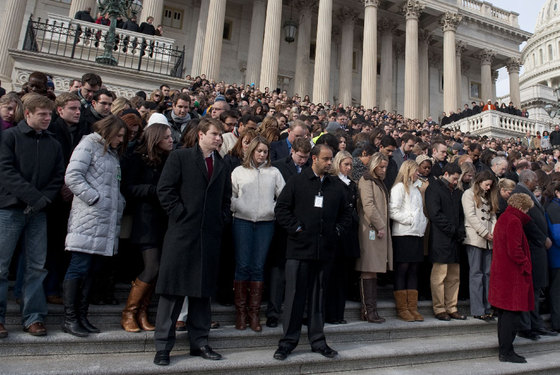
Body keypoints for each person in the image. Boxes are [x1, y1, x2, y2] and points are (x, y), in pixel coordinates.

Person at [153, 118, 231, 366]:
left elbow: (225, 199)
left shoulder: (222, 164)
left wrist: (220, 219)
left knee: (202, 293)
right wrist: (180, 214)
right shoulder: (180, 157)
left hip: (208, 237)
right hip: (182, 234)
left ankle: (200, 342)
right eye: (215, 134)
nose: (219, 138)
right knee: (172, 292)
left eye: (220, 135)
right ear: (200, 135)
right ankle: (163, 347)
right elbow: (165, 190)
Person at [273, 144, 351, 361]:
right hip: (299, 250)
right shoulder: (298, 182)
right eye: (326, 159)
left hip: (325, 251)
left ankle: (318, 341)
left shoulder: (335, 185)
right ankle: (287, 342)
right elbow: (281, 209)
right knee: (294, 298)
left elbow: (346, 214)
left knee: (318, 299)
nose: (329, 163)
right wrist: (296, 228)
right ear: (314, 159)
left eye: (331, 159)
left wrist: (336, 230)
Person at [0, 94, 64, 338]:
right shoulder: (9, 137)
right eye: (42, 114)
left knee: (37, 266)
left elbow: (58, 175)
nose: (48, 118)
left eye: (50, 114)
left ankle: (34, 317)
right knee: (1, 266)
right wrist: (34, 197)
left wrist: (42, 200)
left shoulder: (53, 143)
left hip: (38, 213)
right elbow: (5, 172)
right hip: (9, 208)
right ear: (27, 114)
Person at [62, 115, 127, 337]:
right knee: (79, 267)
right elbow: (73, 176)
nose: (120, 140)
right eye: (118, 135)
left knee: (91, 271)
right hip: (88, 217)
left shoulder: (111, 152)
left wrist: (118, 202)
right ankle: (70, 318)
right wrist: (94, 198)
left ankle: (82, 315)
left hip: (104, 220)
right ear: (108, 131)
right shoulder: (88, 144)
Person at [120, 123, 173, 332]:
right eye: (167, 137)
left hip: (164, 220)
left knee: (157, 269)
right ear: (156, 139)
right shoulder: (136, 159)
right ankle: (129, 312)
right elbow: (128, 187)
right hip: (146, 219)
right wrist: (154, 190)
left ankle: (142, 313)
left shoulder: (169, 160)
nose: (171, 140)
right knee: (152, 267)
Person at [231, 136, 285, 331]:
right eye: (259, 151)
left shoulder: (274, 172)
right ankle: (241, 312)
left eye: (265, 151)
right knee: (242, 265)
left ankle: (254, 313)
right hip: (242, 222)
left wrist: (273, 209)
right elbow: (232, 194)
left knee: (258, 266)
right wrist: (237, 205)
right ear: (252, 151)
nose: (262, 154)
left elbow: (284, 196)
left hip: (266, 223)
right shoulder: (238, 171)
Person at [265, 137, 311, 328]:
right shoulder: (277, 167)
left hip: (303, 228)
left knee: (301, 273)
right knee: (278, 272)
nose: (302, 161)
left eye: (306, 158)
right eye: (300, 157)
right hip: (283, 226)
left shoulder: (311, 169)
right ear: (292, 152)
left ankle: (301, 313)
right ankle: (273, 312)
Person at [489, 193, 534, 363]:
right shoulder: (514, 221)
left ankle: (506, 349)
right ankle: (506, 351)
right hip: (512, 275)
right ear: (522, 207)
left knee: (505, 315)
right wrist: (526, 265)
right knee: (511, 315)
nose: (528, 213)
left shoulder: (505, 218)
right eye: (527, 209)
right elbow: (515, 250)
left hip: (503, 274)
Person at [512, 170, 558, 340]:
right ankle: (527, 326)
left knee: (535, 289)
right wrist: (542, 238)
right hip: (532, 247)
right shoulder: (520, 193)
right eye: (535, 180)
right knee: (530, 289)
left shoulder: (526, 192)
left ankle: (535, 324)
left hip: (536, 248)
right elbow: (527, 221)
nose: (537, 183)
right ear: (528, 180)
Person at [425, 162, 466, 321]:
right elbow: (435, 215)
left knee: (454, 277)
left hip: (455, 239)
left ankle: (452, 307)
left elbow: (461, 215)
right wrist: (453, 230)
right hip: (440, 238)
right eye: (454, 179)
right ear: (446, 174)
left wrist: (460, 231)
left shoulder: (456, 192)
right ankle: (439, 308)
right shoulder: (434, 189)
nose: (456, 182)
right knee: (439, 276)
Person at [389, 160, 428, 322]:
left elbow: (420, 210)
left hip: (416, 234)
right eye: (415, 171)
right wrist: (411, 219)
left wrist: (421, 222)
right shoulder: (399, 188)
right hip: (403, 234)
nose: (418, 173)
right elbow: (393, 211)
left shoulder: (416, 190)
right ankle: (402, 308)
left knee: (413, 270)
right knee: (402, 269)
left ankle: (412, 307)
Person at [356, 152, 392, 323]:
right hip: (370, 229)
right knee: (369, 269)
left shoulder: (378, 181)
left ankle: (371, 310)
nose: (384, 170)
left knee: (373, 269)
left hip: (378, 229)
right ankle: (368, 310)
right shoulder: (366, 180)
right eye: (381, 166)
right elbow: (368, 205)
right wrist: (380, 225)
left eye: (386, 166)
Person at [325, 150, 360, 325]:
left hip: (349, 234)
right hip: (335, 233)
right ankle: (329, 313)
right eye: (345, 164)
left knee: (343, 275)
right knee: (332, 275)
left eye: (350, 165)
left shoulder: (352, 184)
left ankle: (339, 313)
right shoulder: (331, 182)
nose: (348, 168)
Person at [461, 170, 498, 320]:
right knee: (476, 273)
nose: (488, 188)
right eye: (486, 184)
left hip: (489, 240)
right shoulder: (469, 194)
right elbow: (470, 216)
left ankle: (488, 306)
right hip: (475, 238)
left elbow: (493, 216)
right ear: (479, 182)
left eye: (490, 185)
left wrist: (494, 232)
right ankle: (477, 309)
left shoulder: (488, 196)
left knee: (488, 273)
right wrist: (484, 232)